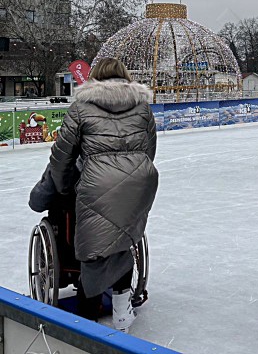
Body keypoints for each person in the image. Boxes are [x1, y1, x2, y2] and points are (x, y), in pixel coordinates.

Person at [35, 58, 158, 333]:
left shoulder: (81, 107)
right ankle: (121, 307)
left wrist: (64, 186)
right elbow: (150, 148)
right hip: (140, 181)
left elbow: (61, 155)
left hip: (97, 182)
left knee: (92, 250)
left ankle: (89, 314)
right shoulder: (142, 106)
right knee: (123, 237)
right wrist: (135, 172)